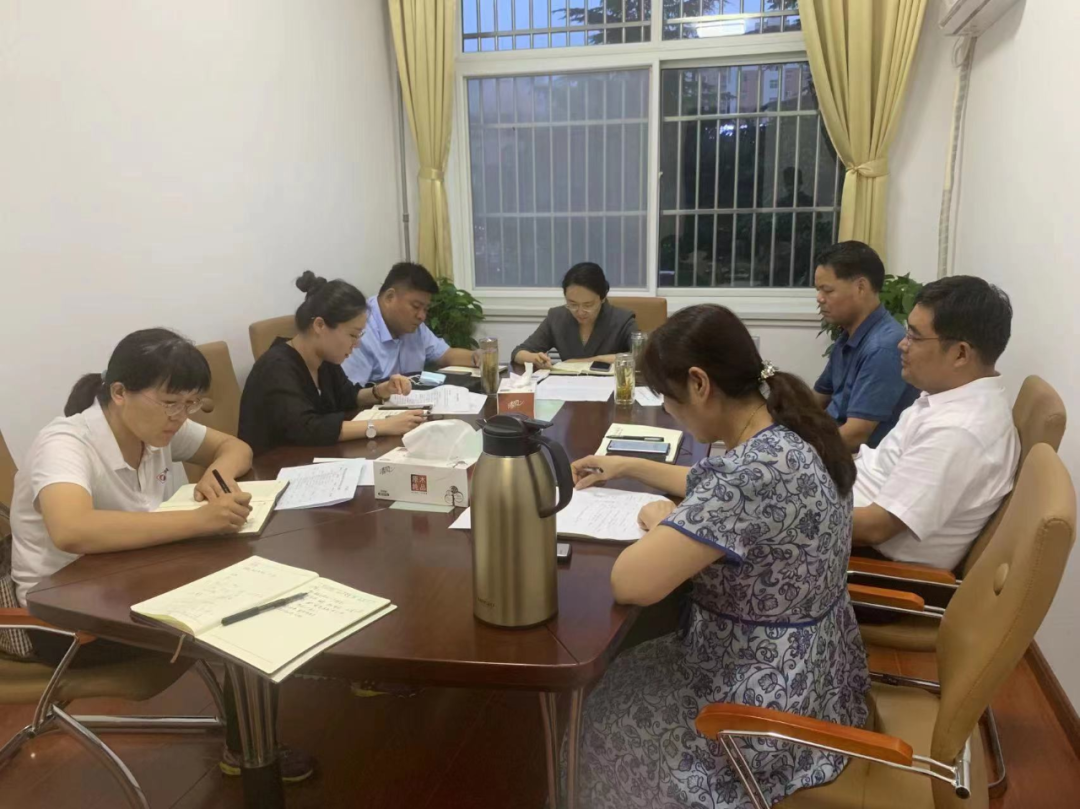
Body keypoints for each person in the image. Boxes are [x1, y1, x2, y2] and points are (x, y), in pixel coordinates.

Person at [569, 305, 869, 809]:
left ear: (699, 383)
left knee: (599, 711)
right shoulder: (794, 433)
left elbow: (631, 582)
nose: (669, 411)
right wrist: (626, 465)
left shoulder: (748, 476)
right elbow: (710, 484)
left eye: (668, 399)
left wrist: (664, 521)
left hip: (757, 709)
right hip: (815, 677)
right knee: (630, 663)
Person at [9, 328, 313, 782]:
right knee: (241, 609)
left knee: (250, 580)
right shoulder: (65, 444)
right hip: (65, 618)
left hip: (128, 582)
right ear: (119, 393)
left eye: (190, 404)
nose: (179, 417)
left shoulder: (157, 425)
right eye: (171, 403)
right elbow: (71, 529)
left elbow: (235, 447)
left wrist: (216, 476)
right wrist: (200, 521)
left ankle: (251, 737)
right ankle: (249, 749)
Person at [851, 275, 1019, 571]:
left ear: (960, 353)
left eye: (914, 337)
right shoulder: (947, 395)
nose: (902, 344)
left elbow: (876, 527)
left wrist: (789, 514)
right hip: (846, 505)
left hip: (863, 561)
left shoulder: (957, 431)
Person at [239, 272, 425, 456]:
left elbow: (347, 396)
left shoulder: (324, 359)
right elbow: (307, 428)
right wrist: (382, 425)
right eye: (353, 335)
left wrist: (380, 391)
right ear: (320, 325)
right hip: (271, 466)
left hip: (313, 457)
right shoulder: (277, 367)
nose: (356, 344)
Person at [814, 241, 919, 451]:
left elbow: (856, 435)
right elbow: (816, 399)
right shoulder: (848, 335)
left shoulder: (884, 347)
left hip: (854, 459)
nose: (819, 299)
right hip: (829, 442)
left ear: (860, 287)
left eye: (828, 290)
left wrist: (799, 451)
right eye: (818, 290)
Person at [341, 262, 478, 384]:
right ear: (389, 297)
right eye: (416, 306)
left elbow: (446, 355)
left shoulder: (414, 326)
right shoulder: (359, 331)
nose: (422, 316)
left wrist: (478, 357)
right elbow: (352, 396)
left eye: (425, 309)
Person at [511, 262, 637, 369]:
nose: (580, 312)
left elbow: (640, 356)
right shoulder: (557, 317)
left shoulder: (622, 319)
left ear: (602, 298)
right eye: (573, 304)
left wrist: (595, 360)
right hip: (567, 387)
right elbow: (518, 353)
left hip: (611, 388)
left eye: (588, 305)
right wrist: (534, 358)